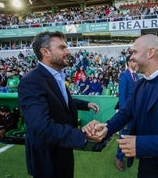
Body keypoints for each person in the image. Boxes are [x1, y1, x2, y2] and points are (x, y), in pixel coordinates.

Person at [84, 34, 158, 178]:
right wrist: (106, 128)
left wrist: (142, 145)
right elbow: (125, 113)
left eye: (134, 52)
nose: (131, 57)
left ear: (150, 52)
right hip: (145, 170)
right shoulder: (139, 85)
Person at [18, 31, 102, 178]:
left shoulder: (57, 75)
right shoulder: (31, 81)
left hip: (63, 150)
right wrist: (81, 135)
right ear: (45, 52)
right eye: (62, 47)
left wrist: (86, 104)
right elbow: (41, 127)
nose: (68, 51)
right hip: (47, 158)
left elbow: (62, 102)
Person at [115, 54, 139, 171]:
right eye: (134, 61)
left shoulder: (136, 75)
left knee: (133, 132)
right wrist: (124, 114)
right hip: (127, 112)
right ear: (129, 62)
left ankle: (130, 152)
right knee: (124, 134)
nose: (136, 63)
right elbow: (122, 96)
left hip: (135, 111)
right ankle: (119, 158)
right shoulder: (124, 76)